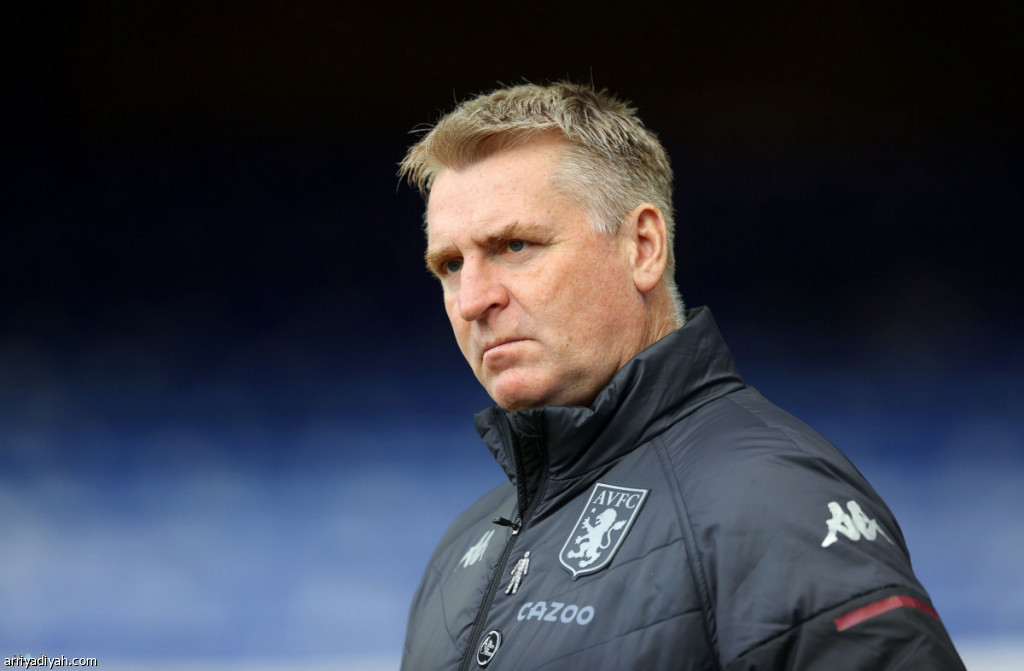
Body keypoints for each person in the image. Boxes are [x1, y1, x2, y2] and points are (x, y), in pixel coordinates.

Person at [397, 81, 965, 670]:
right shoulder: (461, 552)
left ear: (643, 247)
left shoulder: (771, 501)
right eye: (451, 265)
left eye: (515, 245)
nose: (473, 300)